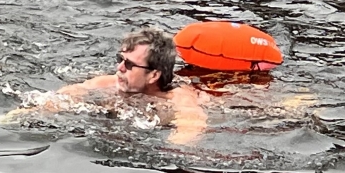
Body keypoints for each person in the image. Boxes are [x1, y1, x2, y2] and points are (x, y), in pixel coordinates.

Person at [21, 28, 207, 145]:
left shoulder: (179, 99)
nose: (119, 68)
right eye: (120, 59)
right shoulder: (106, 83)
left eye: (129, 64)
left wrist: (170, 145)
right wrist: (17, 117)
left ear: (154, 75)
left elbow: (190, 129)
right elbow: (59, 98)